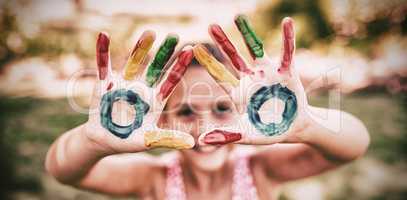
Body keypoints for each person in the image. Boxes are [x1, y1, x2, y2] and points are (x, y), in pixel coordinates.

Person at [45, 16, 370, 200]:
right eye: (185, 112)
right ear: (164, 119)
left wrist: (307, 125)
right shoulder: (152, 179)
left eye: (222, 107)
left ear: (246, 110)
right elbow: (64, 170)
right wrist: (91, 141)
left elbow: (354, 144)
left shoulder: (260, 170)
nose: (204, 128)